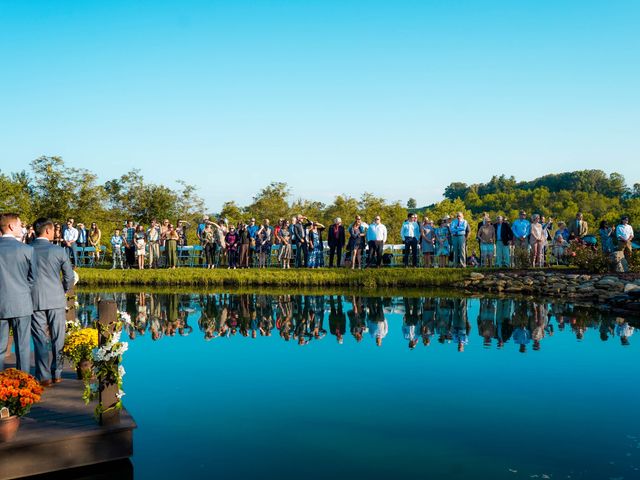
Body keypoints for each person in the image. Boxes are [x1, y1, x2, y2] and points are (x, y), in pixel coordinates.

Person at [30, 218, 75, 385]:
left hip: (34, 298)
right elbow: (69, 277)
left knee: (40, 337)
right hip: (55, 297)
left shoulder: (26, 249)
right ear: (48, 231)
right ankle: (57, 372)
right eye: (54, 231)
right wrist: (63, 289)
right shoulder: (59, 251)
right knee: (58, 337)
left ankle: (43, 376)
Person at [0, 213, 36, 372]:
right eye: (20, 224)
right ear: (11, 226)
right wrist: (22, 290)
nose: (22, 227)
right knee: (22, 347)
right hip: (21, 303)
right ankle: (24, 383)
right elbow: (33, 278)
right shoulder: (27, 249)